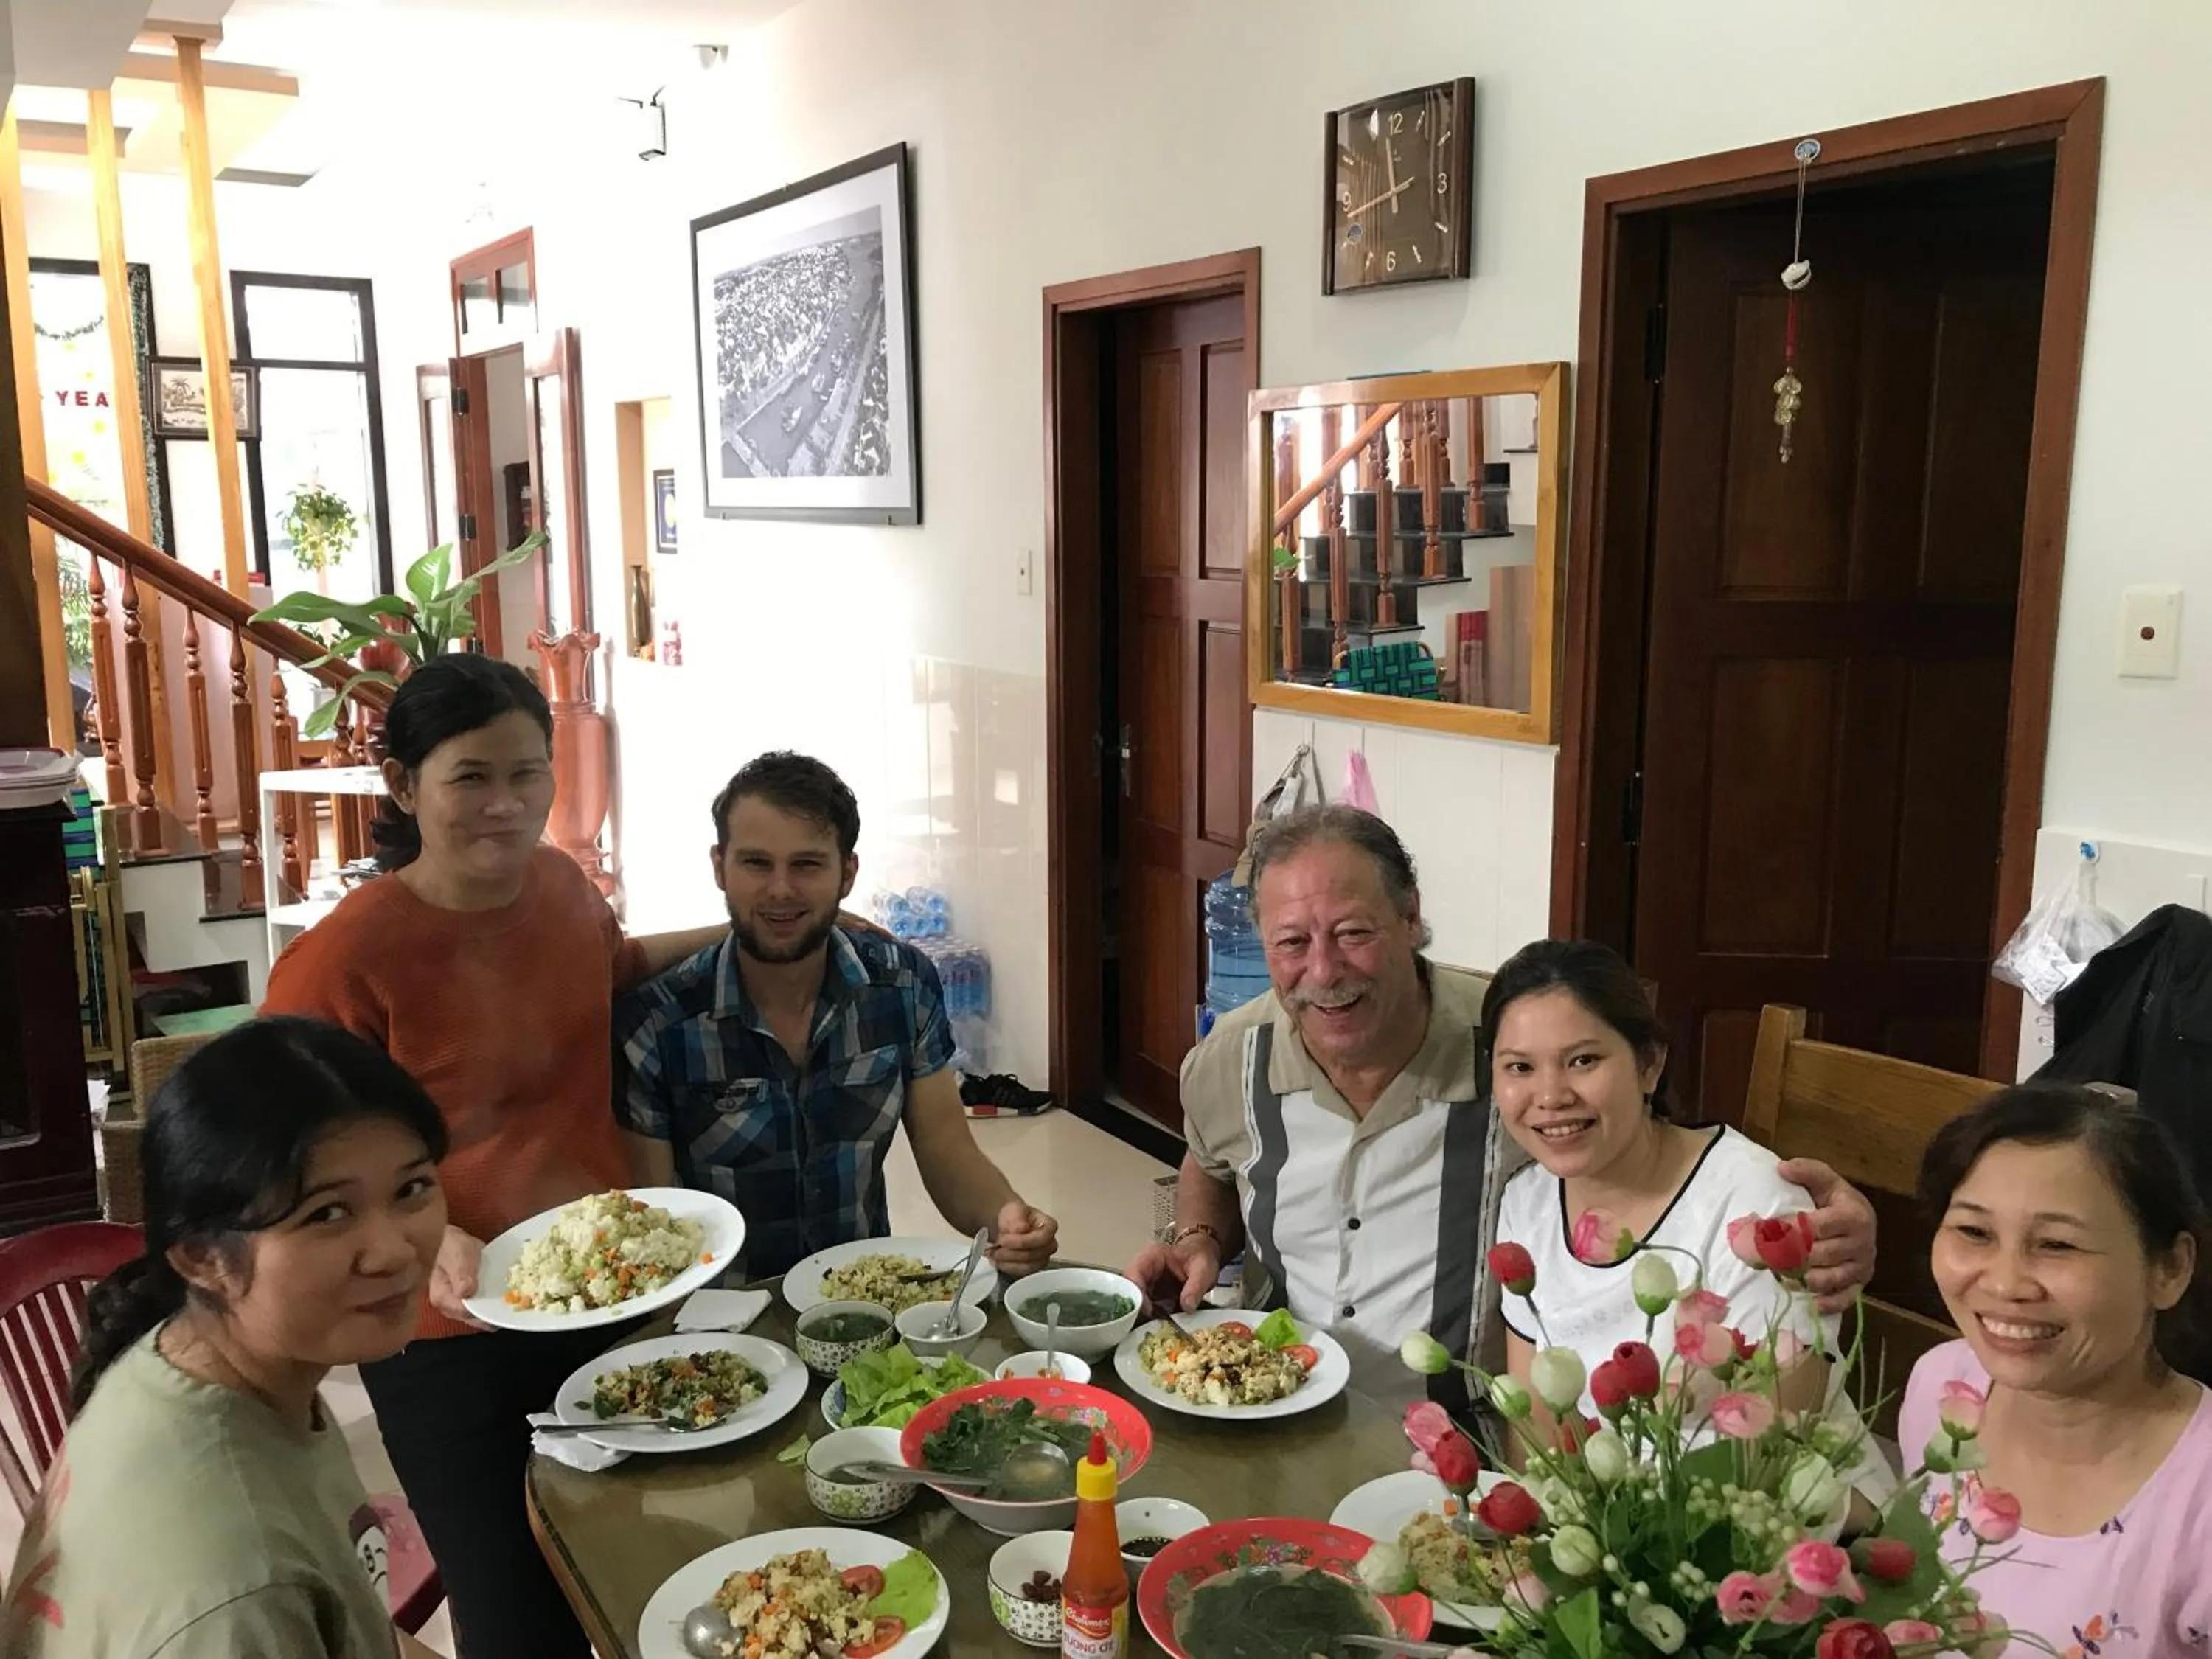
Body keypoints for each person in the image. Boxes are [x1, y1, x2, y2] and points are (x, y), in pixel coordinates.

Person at [260, 653, 726, 1659]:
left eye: (529, 773)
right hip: (447, 1338)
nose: (506, 805)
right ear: (404, 786)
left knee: (611, 1561)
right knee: (516, 1609)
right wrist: (431, 1237)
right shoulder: (345, 959)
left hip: (604, 1297)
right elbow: (281, 1155)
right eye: (471, 777)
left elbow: (617, 966)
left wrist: (764, 925)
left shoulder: (560, 884)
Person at [1126, 804, 1878, 1406]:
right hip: (1266, 1399)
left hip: (1473, 1432)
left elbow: (1650, 1152)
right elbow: (1213, 1160)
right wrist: (1196, 1236)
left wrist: (1820, 1230)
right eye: (1291, 943)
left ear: (1410, 917)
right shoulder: (1232, 1057)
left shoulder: (1515, 1049)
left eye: (1354, 933)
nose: (1323, 971)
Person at [0, 1017, 450, 1659]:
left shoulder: (196, 1365)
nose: (392, 1250)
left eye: (411, 1189)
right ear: (201, 1258)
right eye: (326, 1213)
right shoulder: (236, 1587)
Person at [618, 751, 1058, 1279]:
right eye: (757, 863)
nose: (781, 889)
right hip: (720, 1327)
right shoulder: (658, 1023)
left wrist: (1007, 1216)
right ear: (720, 867)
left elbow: (948, 1152)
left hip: (863, 1303)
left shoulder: (901, 986)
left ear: (847, 873)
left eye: (806, 864)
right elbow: (657, 1217)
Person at [1485, 939, 1887, 1496]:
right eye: (1520, 1067)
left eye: (1583, 1060)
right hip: (1611, 1525)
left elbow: (1770, 1449)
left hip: (1790, 1527)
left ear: (1649, 1064)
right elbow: (1540, 1423)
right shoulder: (1525, 1201)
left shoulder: (1756, 1207)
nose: (1550, 1095)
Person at [1899, 1084, 2212, 1657]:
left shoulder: (2199, 1501)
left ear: (2169, 1268)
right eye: (1974, 1232)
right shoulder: (1945, 1389)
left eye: (2057, 1245)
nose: (2005, 1284)